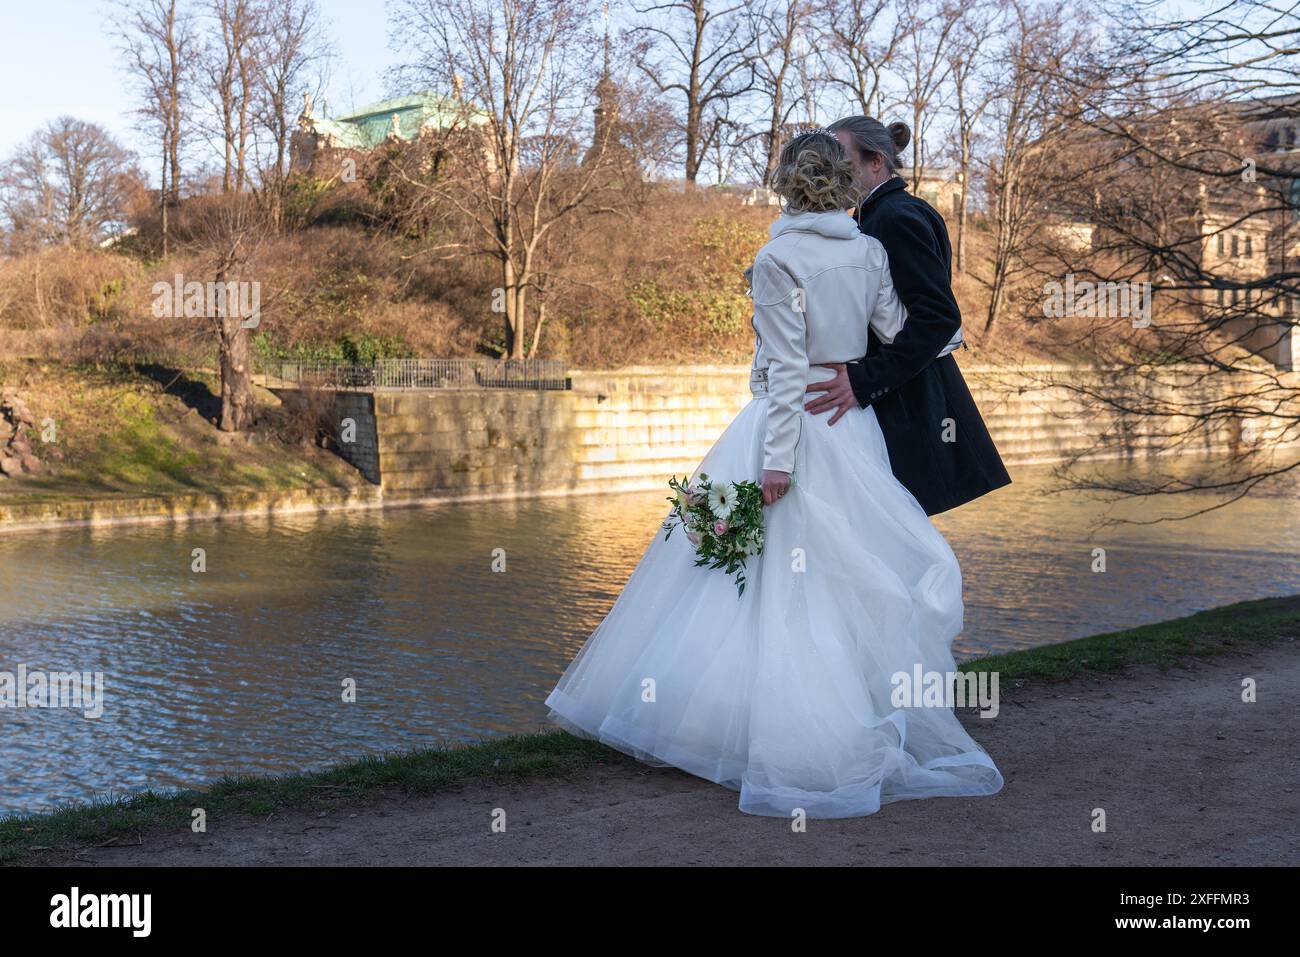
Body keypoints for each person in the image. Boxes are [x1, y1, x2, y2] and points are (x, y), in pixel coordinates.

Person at [544, 130, 1004, 818]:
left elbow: (787, 372)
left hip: (794, 425)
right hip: (854, 425)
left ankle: (751, 725)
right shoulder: (870, 249)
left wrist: (777, 461)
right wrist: (856, 365)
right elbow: (900, 323)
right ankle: (851, 711)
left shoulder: (777, 258)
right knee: (839, 576)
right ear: (841, 185)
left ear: (786, 185)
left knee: (765, 581)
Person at [803, 116, 1011, 516]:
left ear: (875, 161)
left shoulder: (894, 217)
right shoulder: (880, 214)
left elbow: (937, 316)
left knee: (892, 538)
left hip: (910, 401)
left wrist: (864, 382)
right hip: (899, 395)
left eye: (841, 159)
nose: (832, 171)